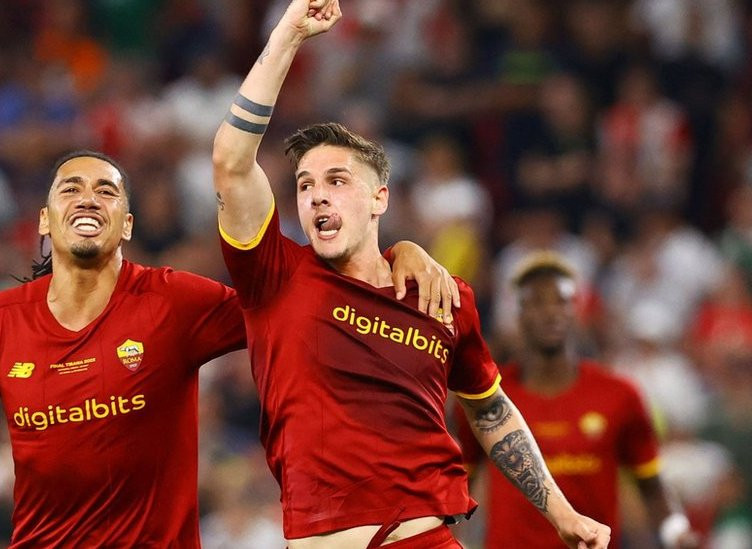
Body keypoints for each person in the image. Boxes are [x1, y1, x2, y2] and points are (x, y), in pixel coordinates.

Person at [0, 149, 455, 548]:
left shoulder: (173, 302)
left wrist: (393, 253)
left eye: (106, 190)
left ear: (127, 223)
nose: (89, 198)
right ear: (44, 221)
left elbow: (288, 296)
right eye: (70, 189)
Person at [211, 1, 611, 547]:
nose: (317, 196)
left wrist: (562, 513)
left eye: (336, 181)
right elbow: (232, 161)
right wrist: (288, 35)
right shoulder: (274, 275)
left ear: (380, 198)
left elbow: (491, 412)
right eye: (305, 186)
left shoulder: (442, 296)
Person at [454, 251, 699, 549]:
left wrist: (676, 532)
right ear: (519, 313)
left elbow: (651, 486)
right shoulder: (484, 396)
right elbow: (457, 486)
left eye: (561, 301)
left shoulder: (619, 395)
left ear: (576, 310)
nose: (551, 312)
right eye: (537, 302)